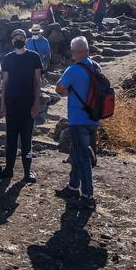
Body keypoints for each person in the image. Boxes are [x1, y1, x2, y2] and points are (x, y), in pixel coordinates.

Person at [54, 36, 100, 211]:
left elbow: (59, 88)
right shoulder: (96, 66)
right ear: (87, 51)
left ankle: (88, 195)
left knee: (82, 158)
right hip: (93, 118)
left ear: (74, 52)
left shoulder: (73, 70)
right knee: (76, 152)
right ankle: (73, 187)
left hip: (78, 119)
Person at [0, 29, 42, 182]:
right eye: (15, 37)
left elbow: (37, 82)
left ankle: (27, 171)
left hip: (28, 104)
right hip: (11, 104)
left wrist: (36, 103)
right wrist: (3, 103)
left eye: (21, 37)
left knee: (26, 139)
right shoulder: (8, 58)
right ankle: (8, 169)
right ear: (12, 40)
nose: (18, 39)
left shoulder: (34, 57)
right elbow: (5, 83)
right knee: (10, 138)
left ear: (26, 39)